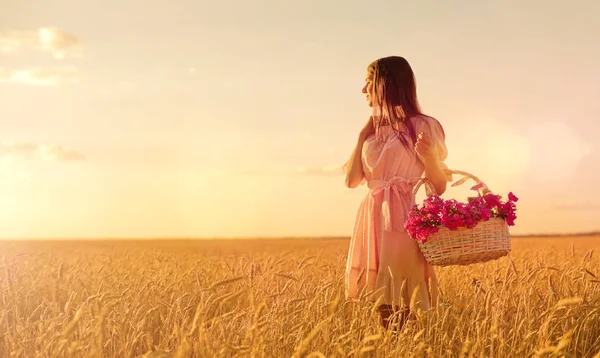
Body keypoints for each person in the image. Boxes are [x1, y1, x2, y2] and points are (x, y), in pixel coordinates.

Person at [343, 56, 452, 331]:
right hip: (372, 217)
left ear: (385, 84)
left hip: (402, 217)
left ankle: (407, 345)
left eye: (368, 82)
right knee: (381, 301)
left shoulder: (424, 125)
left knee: (401, 298)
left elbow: (438, 186)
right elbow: (352, 180)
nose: (363, 89)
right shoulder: (371, 131)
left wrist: (429, 158)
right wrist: (360, 137)